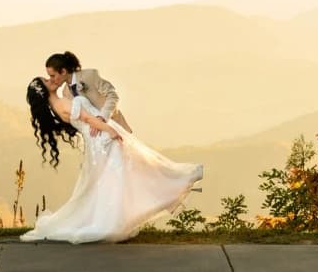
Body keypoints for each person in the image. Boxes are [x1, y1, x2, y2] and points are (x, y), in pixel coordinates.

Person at [19, 71, 203, 243]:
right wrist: (110, 130)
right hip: (102, 138)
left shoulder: (59, 103)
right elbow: (88, 119)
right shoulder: (62, 104)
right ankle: (174, 184)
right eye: (47, 81)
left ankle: (170, 187)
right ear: (44, 90)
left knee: (120, 177)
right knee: (129, 173)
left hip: (96, 140)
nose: (52, 79)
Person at [44, 49, 132, 133]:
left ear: (63, 71)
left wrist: (102, 117)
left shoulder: (89, 75)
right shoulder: (65, 93)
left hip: (116, 126)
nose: (51, 80)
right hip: (97, 136)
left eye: (53, 76)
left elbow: (112, 95)